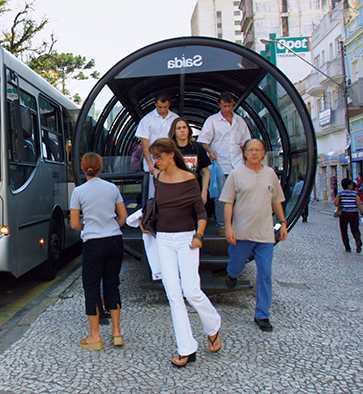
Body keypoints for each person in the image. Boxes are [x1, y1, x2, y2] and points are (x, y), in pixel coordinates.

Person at [142, 138, 221, 367]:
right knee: (173, 295)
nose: (155, 161)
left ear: (170, 155)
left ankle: (213, 324)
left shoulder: (189, 179)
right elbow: (156, 207)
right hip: (163, 240)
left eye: (158, 156)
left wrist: (199, 236)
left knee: (191, 291)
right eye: (154, 157)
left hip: (187, 239)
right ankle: (187, 348)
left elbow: (201, 212)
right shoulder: (156, 178)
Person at [220, 139, 287, 332]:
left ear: (263, 153)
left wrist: (282, 224)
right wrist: (229, 227)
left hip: (265, 234)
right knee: (237, 265)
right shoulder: (236, 174)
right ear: (245, 153)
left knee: (265, 275)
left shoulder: (270, 174)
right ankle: (231, 273)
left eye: (258, 150)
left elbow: (277, 201)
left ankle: (262, 315)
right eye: (251, 150)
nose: (255, 153)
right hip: (242, 233)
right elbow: (228, 203)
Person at [70, 153, 128, 351]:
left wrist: (88, 227)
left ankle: (95, 336)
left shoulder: (78, 192)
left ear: (83, 168)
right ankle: (116, 332)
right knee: (112, 284)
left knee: (92, 287)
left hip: (93, 243)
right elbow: (123, 216)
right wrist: (111, 226)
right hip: (114, 240)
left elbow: (74, 223)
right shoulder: (112, 188)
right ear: (101, 168)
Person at [198, 91, 251, 236]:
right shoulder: (212, 121)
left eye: (230, 106)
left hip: (238, 164)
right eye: (224, 106)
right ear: (219, 105)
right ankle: (222, 225)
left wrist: (247, 163)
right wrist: (209, 150)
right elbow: (203, 141)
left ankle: (239, 224)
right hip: (220, 165)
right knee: (221, 197)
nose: (227, 109)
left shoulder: (240, 121)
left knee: (241, 196)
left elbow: (245, 143)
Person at [135, 92, 179, 196]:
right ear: (155, 104)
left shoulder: (175, 118)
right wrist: (150, 163)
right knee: (154, 193)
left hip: (171, 161)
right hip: (154, 162)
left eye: (165, 107)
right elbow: (144, 143)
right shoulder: (147, 120)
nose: (163, 110)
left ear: (169, 105)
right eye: (160, 107)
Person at [169, 118, 211, 204]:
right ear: (174, 131)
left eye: (184, 127)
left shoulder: (197, 147)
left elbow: (206, 171)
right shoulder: (169, 149)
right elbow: (157, 170)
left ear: (188, 130)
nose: (182, 130)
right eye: (179, 128)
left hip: (194, 191)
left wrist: (204, 192)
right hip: (175, 192)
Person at [334, 178, 363, 253]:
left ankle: (347, 247)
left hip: (344, 214)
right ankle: (358, 240)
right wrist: (362, 211)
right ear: (349, 185)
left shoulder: (340, 193)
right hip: (354, 213)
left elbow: (336, 203)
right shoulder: (355, 193)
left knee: (344, 230)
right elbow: (359, 204)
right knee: (355, 229)